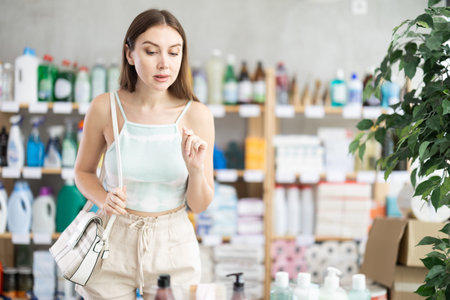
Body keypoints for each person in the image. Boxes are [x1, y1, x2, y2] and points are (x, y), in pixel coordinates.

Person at [74, 9, 214, 299]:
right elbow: (83, 172)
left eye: (174, 53)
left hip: (173, 243)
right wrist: (105, 198)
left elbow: (199, 205)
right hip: (111, 240)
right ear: (129, 53)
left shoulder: (197, 115)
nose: (164, 63)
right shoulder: (105, 108)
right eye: (151, 51)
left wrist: (197, 169)